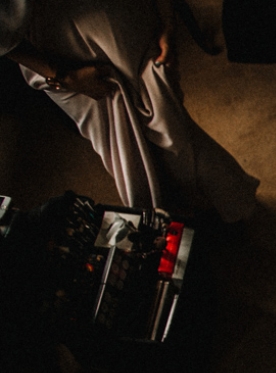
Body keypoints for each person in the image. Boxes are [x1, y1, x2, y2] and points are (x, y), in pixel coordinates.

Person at [0, 0, 259, 223]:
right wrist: (63, 76)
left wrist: (167, 23)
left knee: (169, 129)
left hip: (126, 23)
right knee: (122, 146)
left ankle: (223, 204)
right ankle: (167, 222)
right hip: (57, 50)